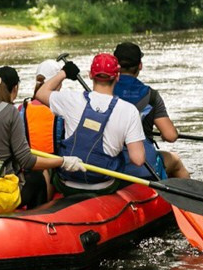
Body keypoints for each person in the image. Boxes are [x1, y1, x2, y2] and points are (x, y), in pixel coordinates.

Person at [0, 59, 84, 209]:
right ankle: (34, 219)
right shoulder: (9, 112)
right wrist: (63, 161)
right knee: (37, 178)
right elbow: (27, 161)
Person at [35, 53, 147, 197]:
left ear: (90, 75)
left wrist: (64, 73)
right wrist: (123, 138)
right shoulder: (129, 111)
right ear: (117, 77)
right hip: (104, 186)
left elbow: (40, 93)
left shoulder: (71, 99)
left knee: (51, 165)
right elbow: (138, 160)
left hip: (67, 183)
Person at [113, 42, 190, 179]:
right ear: (140, 65)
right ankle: (181, 193)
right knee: (175, 160)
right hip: (144, 166)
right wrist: (170, 132)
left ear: (115, 66)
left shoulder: (103, 92)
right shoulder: (151, 95)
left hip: (108, 165)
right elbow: (170, 136)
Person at [19, 60, 64, 156]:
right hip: (57, 162)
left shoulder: (22, 108)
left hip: (32, 161)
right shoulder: (62, 109)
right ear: (56, 83)